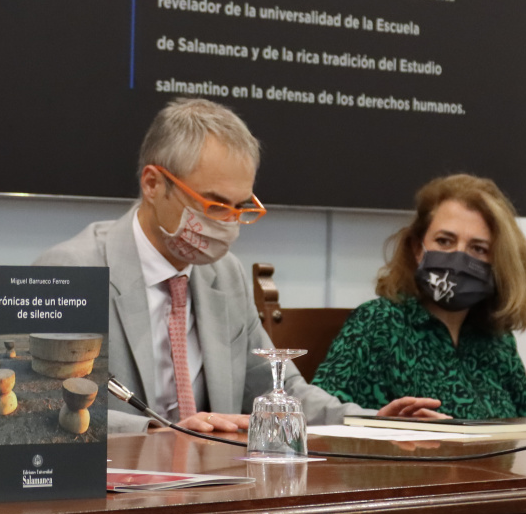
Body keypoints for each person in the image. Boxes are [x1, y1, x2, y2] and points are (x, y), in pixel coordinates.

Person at [35, 98, 444, 434]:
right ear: (153, 184)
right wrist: (160, 434)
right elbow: (44, 404)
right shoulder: (71, 271)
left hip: (215, 486)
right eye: (213, 204)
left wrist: (367, 421)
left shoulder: (223, 273)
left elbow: (277, 389)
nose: (227, 222)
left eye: (240, 207)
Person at [311, 175, 526, 419]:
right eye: (444, 241)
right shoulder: (377, 323)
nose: (458, 259)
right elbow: (320, 423)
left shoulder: (498, 341)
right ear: (416, 247)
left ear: (500, 262)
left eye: (478, 249)